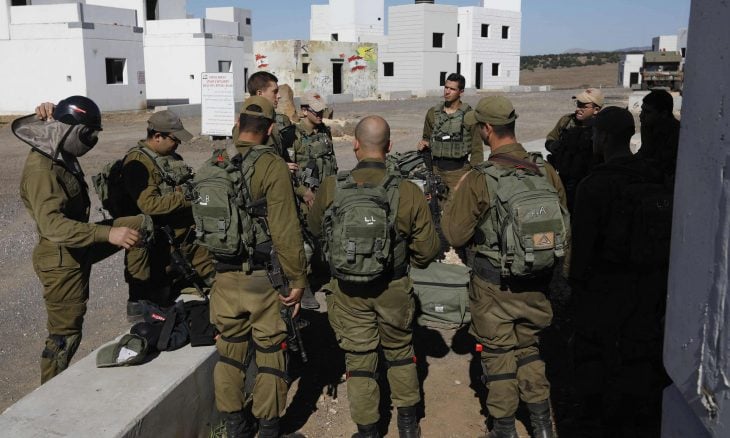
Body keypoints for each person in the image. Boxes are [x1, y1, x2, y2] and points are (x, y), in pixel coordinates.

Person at [442, 96, 567, 438]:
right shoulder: (544, 170)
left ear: (486, 129)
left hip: (493, 285)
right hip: (537, 281)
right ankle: (542, 425)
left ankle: (504, 428)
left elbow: (454, 233)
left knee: (498, 355)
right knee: (529, 349)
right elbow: (564, 225)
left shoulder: (480, 178)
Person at [308, 116, 440, 438]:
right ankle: (407, 425)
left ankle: (368, 431)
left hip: (347, 291)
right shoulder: (407, 191)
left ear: (355, 145)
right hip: (393, 287)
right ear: (389, 146)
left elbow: (314, 230)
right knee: (400, 353)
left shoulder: (332, 187)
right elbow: (427, 251)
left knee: (359, 361)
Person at [16, 96, 143, 383]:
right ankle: (49, 394)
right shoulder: (42, 169)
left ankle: (144, 300)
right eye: (89, 135)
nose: (92, 142)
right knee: (65, 337)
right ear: (73, 131)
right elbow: (53, 226)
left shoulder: (58, 148)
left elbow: (56, 121)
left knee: (139, 225)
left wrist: (48, 114)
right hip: (61, 259)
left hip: (77, 245)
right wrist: (108, 233)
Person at [207, 96, 307, 438]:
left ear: (238, 123)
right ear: (270, 128)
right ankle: (268, 429)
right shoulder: (272, 165)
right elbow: (285, 229)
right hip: (263, 279)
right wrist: (298, 279)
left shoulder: (216, 161)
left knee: (229, 353)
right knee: (270, 353)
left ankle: (235, 426)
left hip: (223, 275)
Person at [569, 107, 670, 437]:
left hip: (605, 285)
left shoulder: (594, 186)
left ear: (602, 138)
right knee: (638, 355)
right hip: (648, 284)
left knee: (596, 359)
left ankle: (596, 420)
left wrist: (576, 290)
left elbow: (581, 251)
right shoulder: (653, 175)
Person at [120, 110, 215, 319]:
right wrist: (187, 197)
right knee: (161, 300)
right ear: (157, 136)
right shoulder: (137, 163)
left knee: (217, 280)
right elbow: (149, 204)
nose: (178, 144)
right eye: (174, 139)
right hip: (165, 241)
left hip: (189, 235)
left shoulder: (170, 157)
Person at [247, 72, 319, 309]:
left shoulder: (276, 122)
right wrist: (281, 170)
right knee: (283, 241)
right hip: (265, 197)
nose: (278, 96)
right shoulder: (250, 124)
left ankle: (295, 286)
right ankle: (293, 288)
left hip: (281, 187)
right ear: (260, 93)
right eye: (274, 91)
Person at [416, 72, 483, 193]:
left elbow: (477, 148)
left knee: (458, 204)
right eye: (446, 87)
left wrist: (475, 176)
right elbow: (426, 138)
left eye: (452, 89)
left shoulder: (469, 115)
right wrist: (423, 144)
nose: (447, 92)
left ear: (461, 92)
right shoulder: (432, 113)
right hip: (435, 171)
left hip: (459, 173)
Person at [545, 87, 604, 212]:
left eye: (583, 106)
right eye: (578, 104)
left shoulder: (602, 128)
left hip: (589, 181)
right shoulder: (566, 121)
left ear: (596, 110)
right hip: (564, 178)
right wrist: (555, 147)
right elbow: (550, 139)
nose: (578, 109)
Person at [293, 90, 338, 192]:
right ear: (304, 111)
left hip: (329, 190)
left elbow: (332, 159)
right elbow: (290, 171)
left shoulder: (325, 131)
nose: (320, 114)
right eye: (316, 111)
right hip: (309, 194)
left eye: (321, 110)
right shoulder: (295, 135)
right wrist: (303, 192)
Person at [636, 89, 680, 182]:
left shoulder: (676, 134)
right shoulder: (650, 127)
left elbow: (660, 166)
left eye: (647, 112)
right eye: (642, 110)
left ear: (663, 114)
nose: (641, 116)